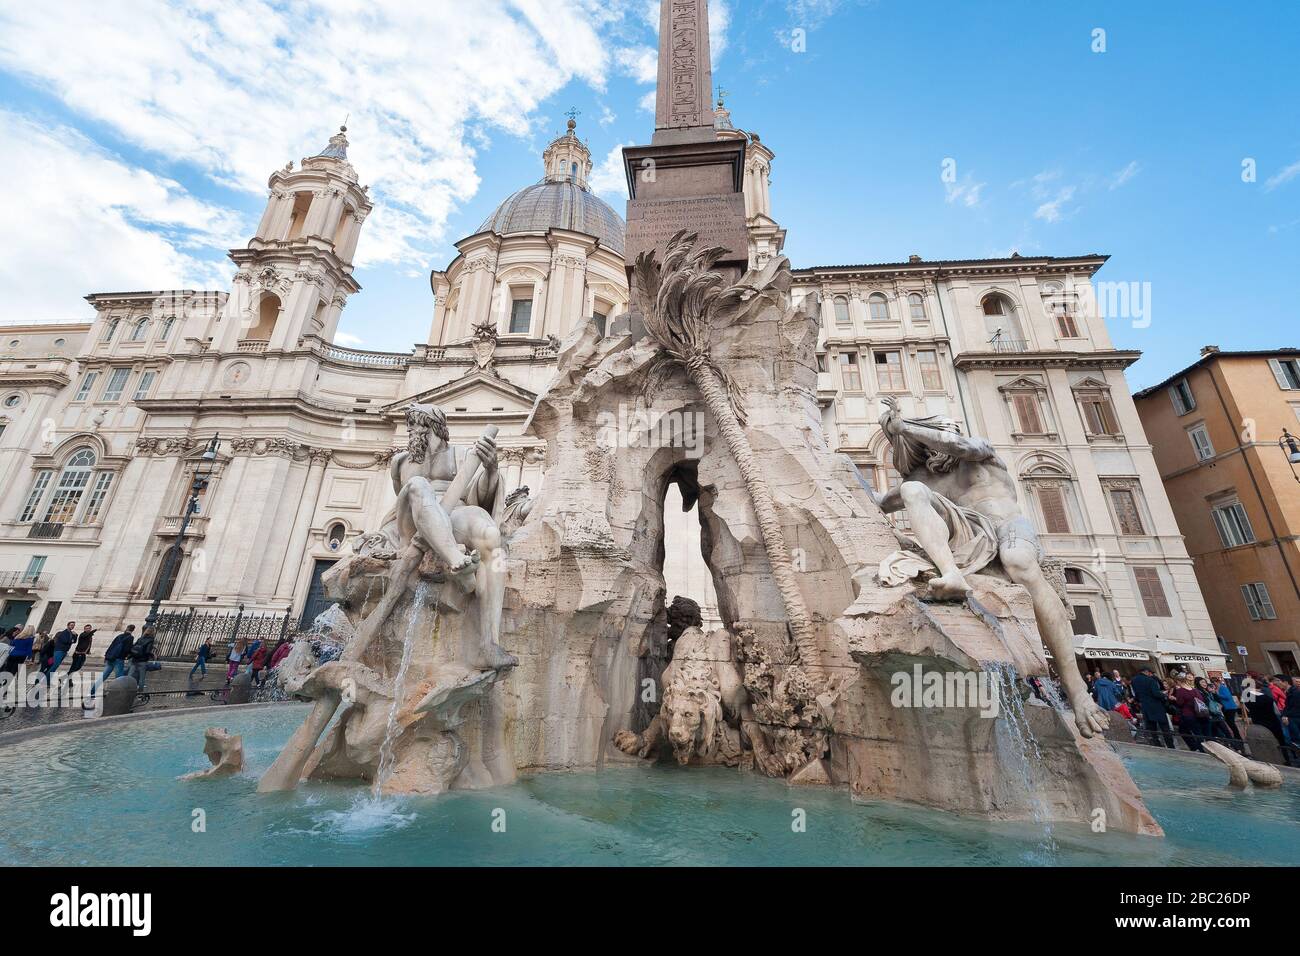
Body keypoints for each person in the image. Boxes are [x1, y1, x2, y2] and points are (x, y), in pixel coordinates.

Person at [1131, 666, 1176, 749]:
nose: (1150, 674)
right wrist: (1164, 694)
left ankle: (1157, 746)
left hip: (1145, 707)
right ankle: (1170, 746)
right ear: (1146, 672)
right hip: (1157, 706)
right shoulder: (1150, 680)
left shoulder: (1134, 680)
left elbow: (1136, 695)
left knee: (1152, 730)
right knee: (1165, 729)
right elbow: (1156, 694)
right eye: (1150, 673)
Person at [1173, 675, 1209, 752]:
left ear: (1178, 682)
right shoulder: (1194, 690)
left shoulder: (1180, 691)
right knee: (1198, 732)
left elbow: (1180, 703)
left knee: (1183, 731)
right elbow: (1201, 699)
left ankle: (1198, 748)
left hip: (1188, 714)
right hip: (1198, 713)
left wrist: (1174, 698)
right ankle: (1201, 748)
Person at [126, 626, 156, 692]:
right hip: (142, 661)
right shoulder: (151, 640)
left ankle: (126, 689)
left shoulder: (140, 638)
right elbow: (147, 651)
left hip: (135, 659)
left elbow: (133, 647)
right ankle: (140, 692)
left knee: (130, 675)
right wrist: (152, 655)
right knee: (141, 678)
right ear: (153, 632)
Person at [1281, 674, 1300, 749]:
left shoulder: (1295, 693)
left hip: (1295, 717)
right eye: (1297, 681)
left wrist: (1286, 715)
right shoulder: (1291, 692)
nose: (1298, 683)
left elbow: (1294, 706)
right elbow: (1288, 706)